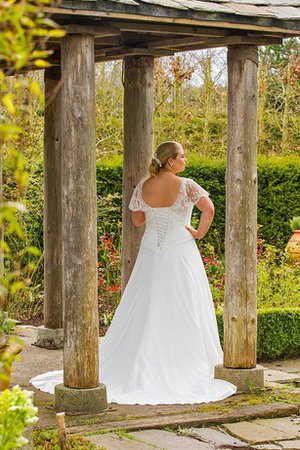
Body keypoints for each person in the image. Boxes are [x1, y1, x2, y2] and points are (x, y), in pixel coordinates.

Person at [30, 141, 237, 405]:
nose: (186, 159)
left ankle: (139, 356)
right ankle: (185, 358)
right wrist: (199, 233)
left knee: (146, 302)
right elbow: (209, 209)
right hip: (180, 249)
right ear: (171, 162)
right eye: (182, 156)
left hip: (151, 252)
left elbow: (138, 221)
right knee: (185, 301)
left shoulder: (144, 186)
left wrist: (154, 215)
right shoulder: (186, 185)